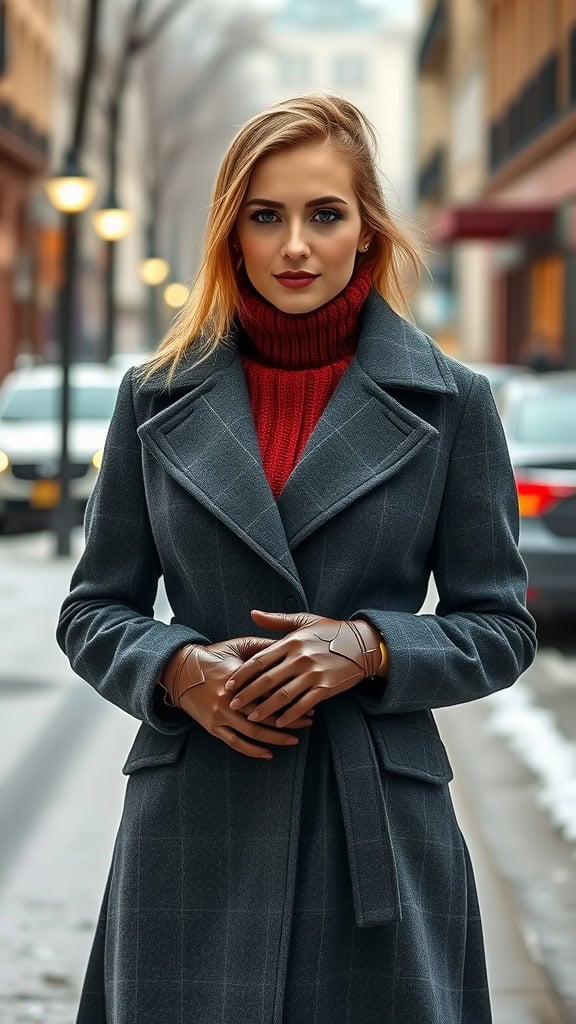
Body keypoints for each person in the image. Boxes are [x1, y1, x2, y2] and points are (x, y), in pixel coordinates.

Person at [57, 94, 537, 1024]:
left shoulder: (452, 404)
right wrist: (176, 667)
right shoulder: (153, 397)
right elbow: (92, 609)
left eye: (326, 214)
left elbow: (502, 625)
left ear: (368, 231)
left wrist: (371, 646)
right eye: (265, 216)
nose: (295, 249)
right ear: (231, 235)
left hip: (377, 832)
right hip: (194, 817)